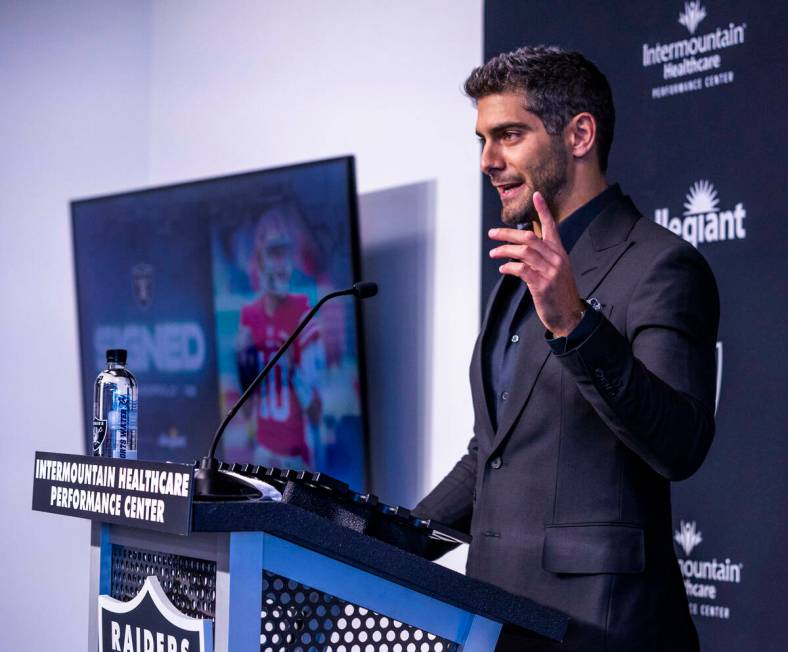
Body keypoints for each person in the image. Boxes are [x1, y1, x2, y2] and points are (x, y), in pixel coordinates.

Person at [414, 46, 719, 651]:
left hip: (603, 630)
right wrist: (382, 538)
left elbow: (679, 444)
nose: (487, 160)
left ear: (579, 134)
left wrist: (575, 325)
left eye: (508, 135)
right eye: (482, 139)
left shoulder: (662, 266)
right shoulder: (519, 268)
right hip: (495, 618)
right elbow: (493, 454)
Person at [236, 207, 325, 469]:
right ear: (260, 260)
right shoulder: (249, 317)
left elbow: (316, 415)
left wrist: (293, 369)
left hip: (296, 461)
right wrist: (246, 371)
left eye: (288, 253)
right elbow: (247, 412)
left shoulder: (304, 316)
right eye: (275, 253)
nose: (283, 263)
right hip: (262, 456)